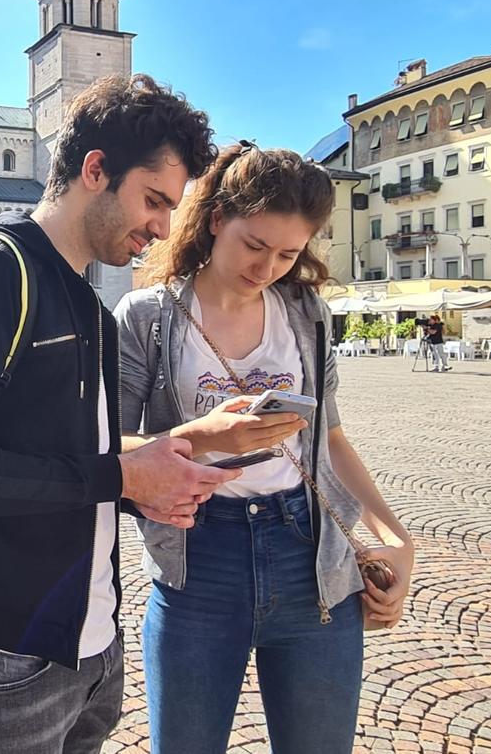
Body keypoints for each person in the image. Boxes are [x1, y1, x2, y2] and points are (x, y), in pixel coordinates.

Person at [0, 74, 239, 754]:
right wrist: (123, 478)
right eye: (154, 200)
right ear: (95, 170)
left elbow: (83, 456)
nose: (163, 228)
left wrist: (165, 467)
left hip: (91, 646)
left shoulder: (88, 303)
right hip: (3, 650)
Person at [115, 143, 415, 754]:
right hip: (200, 561)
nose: (267, 267)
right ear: (217, 217)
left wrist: (396, 537)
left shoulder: (305, 313)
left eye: (288, 253)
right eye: (255, 245)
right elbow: (107, 448)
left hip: (309, 557)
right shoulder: (148, 315)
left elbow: (329, 436)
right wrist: (200, 438)